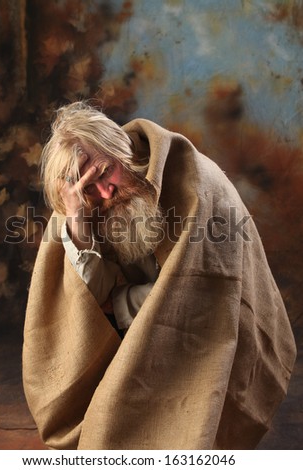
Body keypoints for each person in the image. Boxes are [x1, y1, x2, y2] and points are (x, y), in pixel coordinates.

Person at [22, 101, 296, 450]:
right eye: (89, 187)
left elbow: (202, 295)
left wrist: (118, 305)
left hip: (222, 331)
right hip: (150, 327)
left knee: (125, 424)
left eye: (106, 171)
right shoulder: (92, 204)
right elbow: (94, 296)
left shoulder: (198, 183)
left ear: (123, 150)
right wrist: (77, 221)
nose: (104, 192)